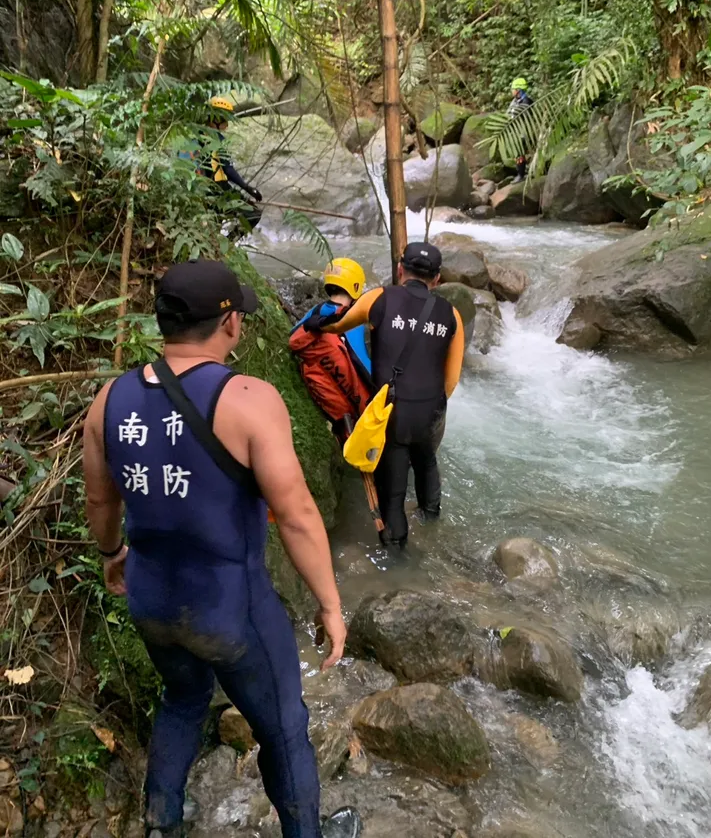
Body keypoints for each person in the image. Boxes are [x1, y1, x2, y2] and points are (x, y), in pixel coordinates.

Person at [82, 258, 360, 838]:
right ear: (229, 323)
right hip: (230, 606)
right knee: (283, 725)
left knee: (182, 698)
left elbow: (102, 502)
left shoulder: (110, 400)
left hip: (152, 597)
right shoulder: (249, 398)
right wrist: (330, 604)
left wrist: (113, 556)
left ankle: (162, 821)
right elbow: (297, 514)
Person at [309, 242, 464, 549]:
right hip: (431, 409)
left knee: (392, 489)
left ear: (400, 270)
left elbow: (338, 324)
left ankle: (396, 556)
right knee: (426, 461)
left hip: (391, 411)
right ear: (437, 280)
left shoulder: (379, 297)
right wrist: (431, 406)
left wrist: (315, 321)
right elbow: (452, 378)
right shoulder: (453, 315)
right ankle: (431, 521)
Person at [289, 258, 374, 444]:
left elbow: (294, 336)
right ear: (356, 287)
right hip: (355, 402)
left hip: (327, 390)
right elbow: (361, 362)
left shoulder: (316, 311)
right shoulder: (353, 320)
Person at [194, 96, 263, 231]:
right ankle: (229, 242)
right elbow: (228, 169)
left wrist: (246, 188)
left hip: (211, 188)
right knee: (253, 214)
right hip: (215, 189)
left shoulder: (204, 135)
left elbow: (225, 167)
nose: (227, 124)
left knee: (218, 222)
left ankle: (223, 244)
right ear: (216, 118)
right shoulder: (210, 138)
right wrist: (247, 187)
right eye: (225, 119)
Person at [507, 77, 534, 182]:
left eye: (513, 89)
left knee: (519, 153)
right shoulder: (515, 101)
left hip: (523, 132)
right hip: (514, 131)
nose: (512, 91)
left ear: (518, 90)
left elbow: (526, 118)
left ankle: (521, 174)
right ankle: (521, 171)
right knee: (516, 153)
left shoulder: (526, 102)